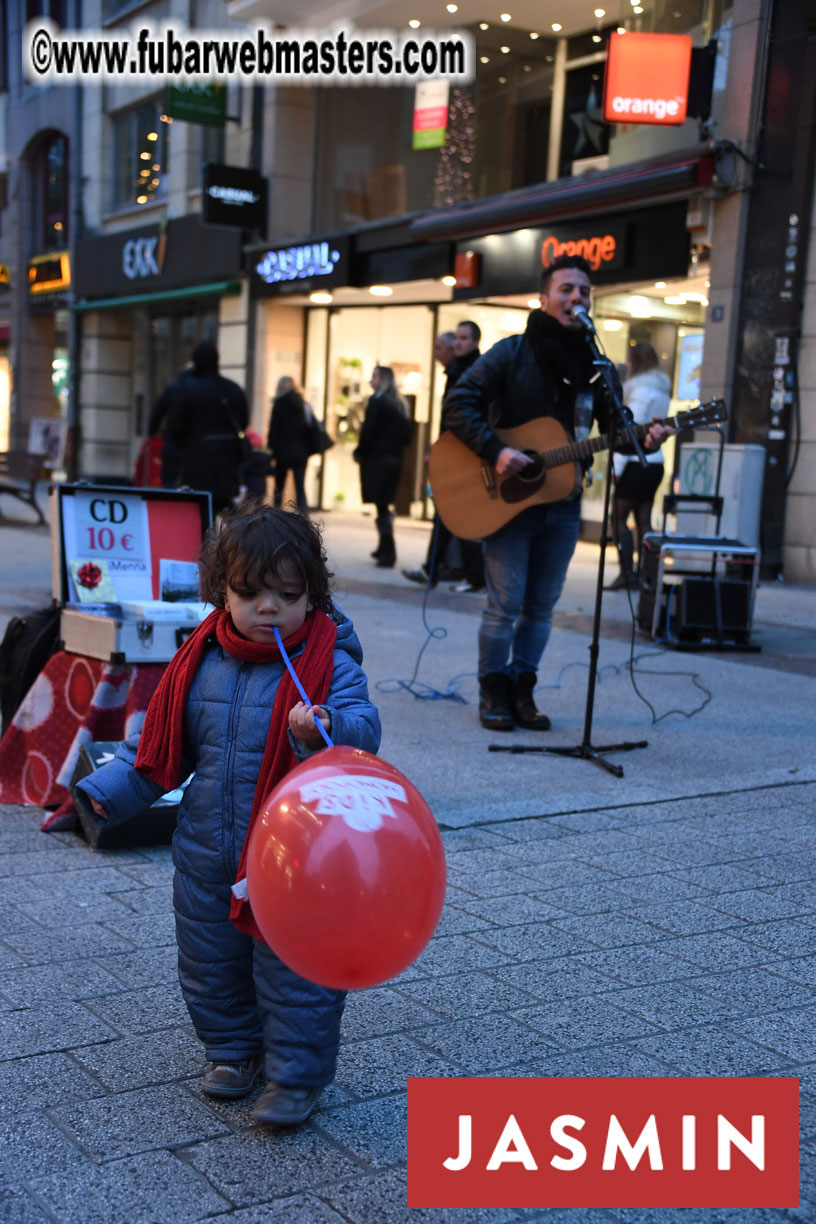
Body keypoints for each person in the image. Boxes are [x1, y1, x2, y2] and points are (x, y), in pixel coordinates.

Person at [74, 502, 381, 1127]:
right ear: (222, 592)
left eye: (286, 594)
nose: (267, 607)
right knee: (210, 958)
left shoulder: (330, 664)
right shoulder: (200, 661)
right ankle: (232, 1052)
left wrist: (326, 727)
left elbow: (364, 731)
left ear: (312, 596)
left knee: (297, 966)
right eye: (248, 592)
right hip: (208, 848)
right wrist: (105, 793)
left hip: (301, 858)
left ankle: (295, 1076)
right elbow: (160, 746)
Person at [444, 254, 667, 732]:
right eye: (566, 289)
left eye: (584, 291)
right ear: (544, 298)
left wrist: (643, 436)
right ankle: (492, 690)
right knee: (503, 604)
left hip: (563, 504)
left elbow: (614, 428)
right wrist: (497, 451)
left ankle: (523, 690)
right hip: (508, 502)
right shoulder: (511, 353)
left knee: (541, 606)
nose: (576, 298)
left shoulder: (597, 367)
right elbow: (458, 402)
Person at [403, 323, 483, 590]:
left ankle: (469, 575)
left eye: (463, 339)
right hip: (454, 453)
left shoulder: (474, 371)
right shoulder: (458, 371)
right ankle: (436, 570)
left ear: (474, 342)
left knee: (459, 515)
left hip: (464, 456)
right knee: (448, 514)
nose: (457, 344)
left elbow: (464, 420)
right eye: (456, 338)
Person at [606, 343, 669, 591]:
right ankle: (646, 576)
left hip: (635, 462)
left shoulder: (640, 389)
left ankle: (627, 574)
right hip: (655, 462)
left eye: (630, 361)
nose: (627, 365)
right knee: (644, 519)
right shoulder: (661, 387)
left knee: (618, 518)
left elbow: (629, 435)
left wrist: (617, 467)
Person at [164, 342, 249, 516]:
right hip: (228, 456)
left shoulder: (189, 389)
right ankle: (238, 539)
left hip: (198, 458)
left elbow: (175, 425)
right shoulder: (233, 388)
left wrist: (185, 445)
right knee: (226, 503)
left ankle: (208, 542)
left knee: (200, 508)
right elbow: (244, 420)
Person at [353, 365, 414, 569]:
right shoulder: (400, 404)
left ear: (384, 380)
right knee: (384, 505)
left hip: (378, 460)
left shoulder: (377, 402)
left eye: (375, 377)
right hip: (394, 461)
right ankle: (384, 547)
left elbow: (368, 431)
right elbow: (407, 436)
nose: (371, 381)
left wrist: (360, 452)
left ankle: (388, 550)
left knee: (381, 506)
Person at [266, 376, 311, 514]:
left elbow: (274, 430)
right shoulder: (302, 403)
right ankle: (303, 514)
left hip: (282, 450)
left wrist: (271, 450)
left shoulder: (279, 404)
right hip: (301, 450)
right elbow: (309, 427)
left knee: (279, 485)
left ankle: (276, 514)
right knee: (300, 485)